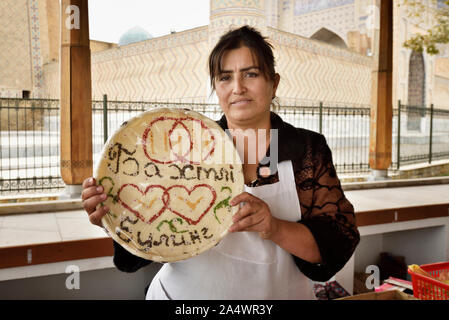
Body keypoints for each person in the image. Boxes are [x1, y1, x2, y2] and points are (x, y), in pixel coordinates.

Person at [82, 25, 360, 300]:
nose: (238, 88)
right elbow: (140, 247)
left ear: (274, 83)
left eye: (251, 74)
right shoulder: (185, 143)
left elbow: (337, 244)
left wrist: (273, 226)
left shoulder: (306, 149)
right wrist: (115, 216)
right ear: (216, 87)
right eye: (225, 77)